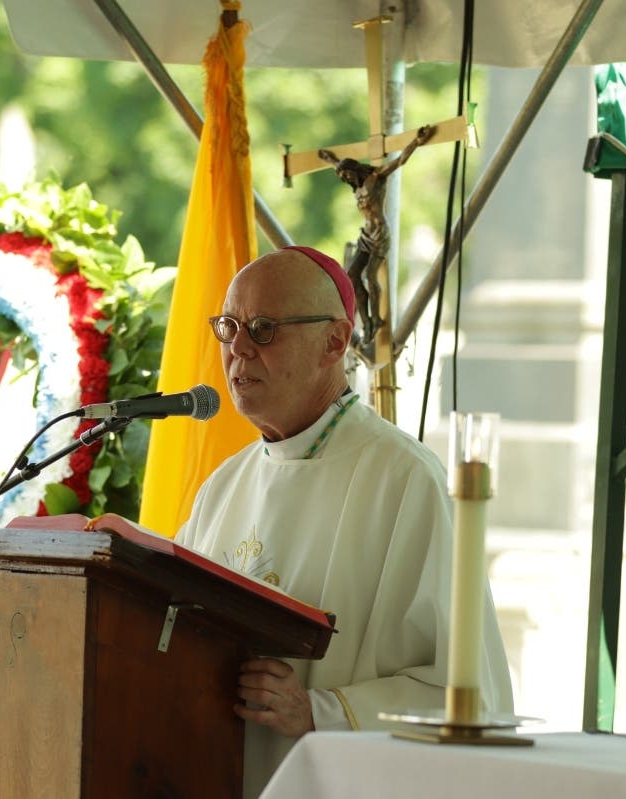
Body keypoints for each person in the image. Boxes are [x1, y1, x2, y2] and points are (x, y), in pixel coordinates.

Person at [174, 245, 513, 798]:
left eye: (262, 329)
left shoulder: (405, 481)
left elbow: (468, 697)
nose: (237, 349)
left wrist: (319, 711)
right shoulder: (223, 486)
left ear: (334, 342)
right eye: (228, 326)